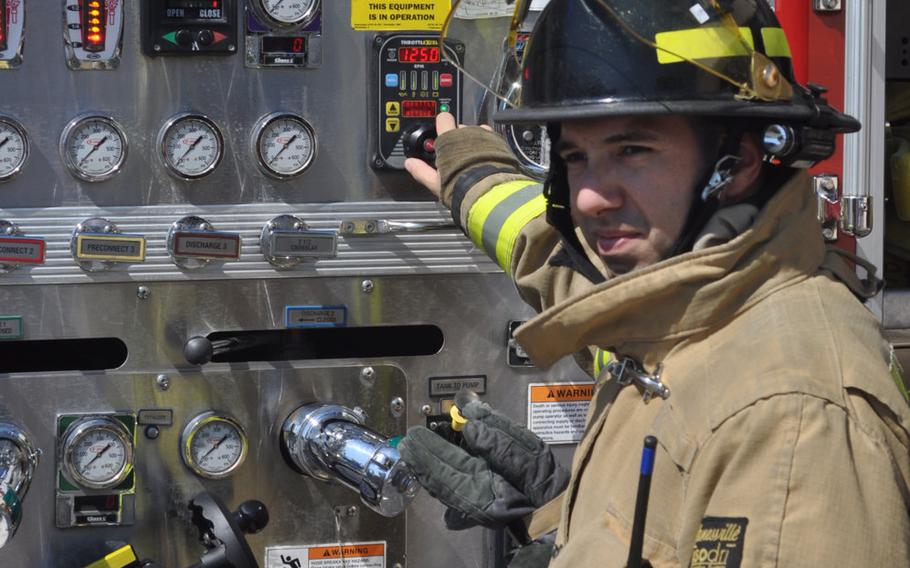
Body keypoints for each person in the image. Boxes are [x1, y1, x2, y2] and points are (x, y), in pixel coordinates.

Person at [398, 1, 910, 567]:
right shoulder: (678, 319)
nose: (590, 195)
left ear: (738, 160)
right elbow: (572, 278)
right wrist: (551, 517)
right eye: (574, 156)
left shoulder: (791, 418)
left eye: (632, 150)